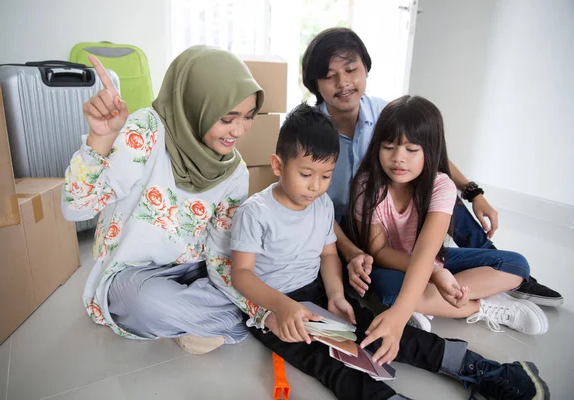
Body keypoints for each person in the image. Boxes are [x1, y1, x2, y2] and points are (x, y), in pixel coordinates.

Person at [210, 103, 549, 400]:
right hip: (269, 305)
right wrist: (282, 307)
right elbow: (241, 274)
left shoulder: (321, 204)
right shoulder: (257, 211)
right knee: (330, 366)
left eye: (326, 175)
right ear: (277, 165)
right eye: (306, 174)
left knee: (382, 331)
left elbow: (328, 255)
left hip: (315, 294)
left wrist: (336, 296)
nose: (315, 186)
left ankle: (479, 368)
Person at [301, 27, 563, 319]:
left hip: (405, 214)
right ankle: (467, 294)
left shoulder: (387, 113)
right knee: (387, 286)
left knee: (442, 192)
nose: (343, 82)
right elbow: (312, 206)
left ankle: (487, 274)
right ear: (314, 83)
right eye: (329, 75)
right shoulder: (308, 129)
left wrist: (473, 191)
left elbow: (431, 156)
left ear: (365, 69)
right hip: (346, 228)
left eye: (351, 70)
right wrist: (350, 252)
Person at [61, 45, 264, 354]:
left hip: (194, 271)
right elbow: (76, 207)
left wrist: (258, 301)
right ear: (197, 105)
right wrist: (100, 138)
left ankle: (201, 319)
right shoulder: (148, 130)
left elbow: (220, 254)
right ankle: (221, 322)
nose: (238, 130)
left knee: (257, 274)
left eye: (248, 117)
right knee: (147, 302)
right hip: (133, 276)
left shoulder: (234, 170)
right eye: (227, 118)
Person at [345, 95, 548, 336]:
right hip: (391, 264)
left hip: (429, 259)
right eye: (388, 147)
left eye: (411, 149)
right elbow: (378, 252)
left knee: (516, 265)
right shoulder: (366, 185)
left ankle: (425, 302)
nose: (398, 158)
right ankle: (481, 307)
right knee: (388, 291)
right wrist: (436, 273)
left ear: (430, 151)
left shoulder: (441, 185)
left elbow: (426, 253)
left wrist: (436, 271)